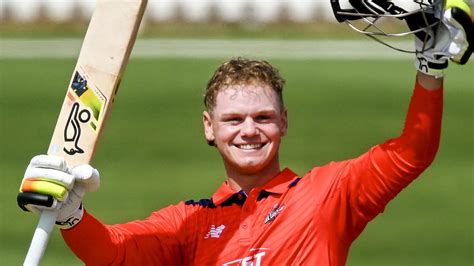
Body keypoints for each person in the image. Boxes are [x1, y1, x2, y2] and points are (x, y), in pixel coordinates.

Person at [17, 1, 472, 265]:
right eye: (234, 120)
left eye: (263, 117)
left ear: (285, 122)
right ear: (209, 129)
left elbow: (412, 153)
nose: (249, 131)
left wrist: (429, 71)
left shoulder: (327, 195)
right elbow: (114, 253)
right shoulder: (189, 224)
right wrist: (71, 214)